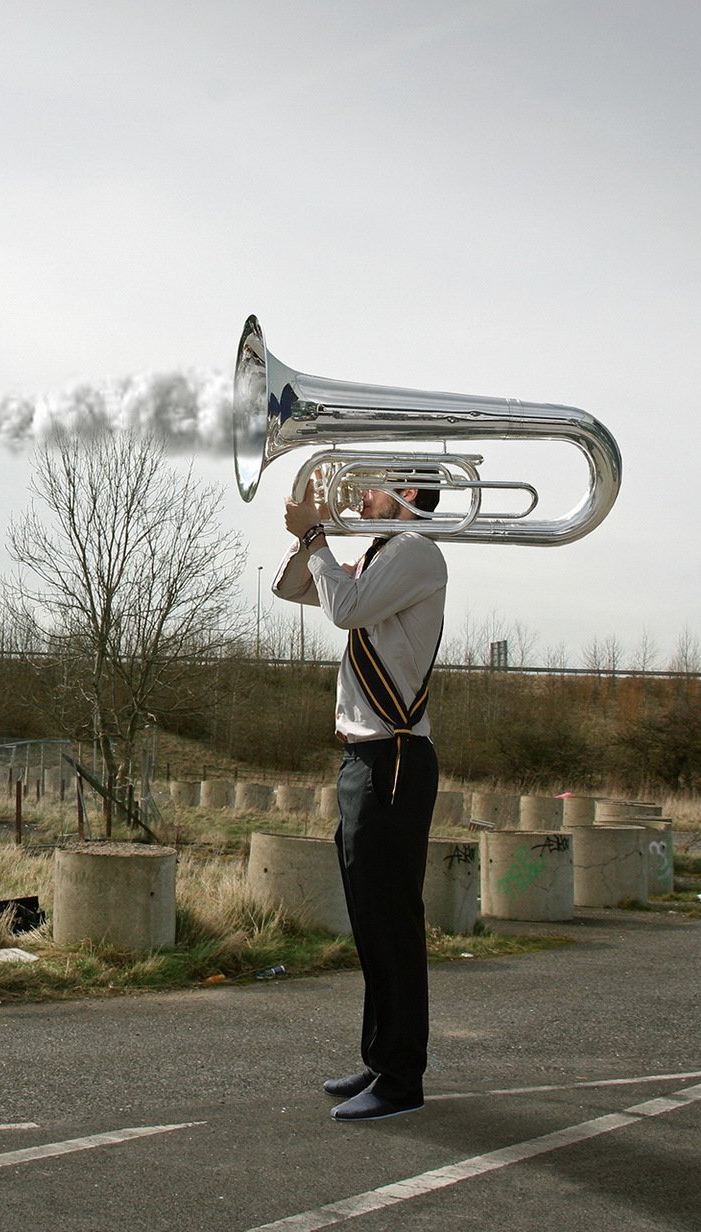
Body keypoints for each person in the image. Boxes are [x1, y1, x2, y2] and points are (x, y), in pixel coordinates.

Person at [274, 470, 447, 1123]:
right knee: (371, 921)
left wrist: (317, 536)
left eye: (375, 485)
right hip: (367, 756)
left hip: (393, 758)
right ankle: (383, 1058)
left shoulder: (415, 551)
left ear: (407, 496)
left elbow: (343, 610)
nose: (362, 491)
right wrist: (308, 538)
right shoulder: (381, 556)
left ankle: (403, 1079)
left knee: (391, 922)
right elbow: (293, 590)